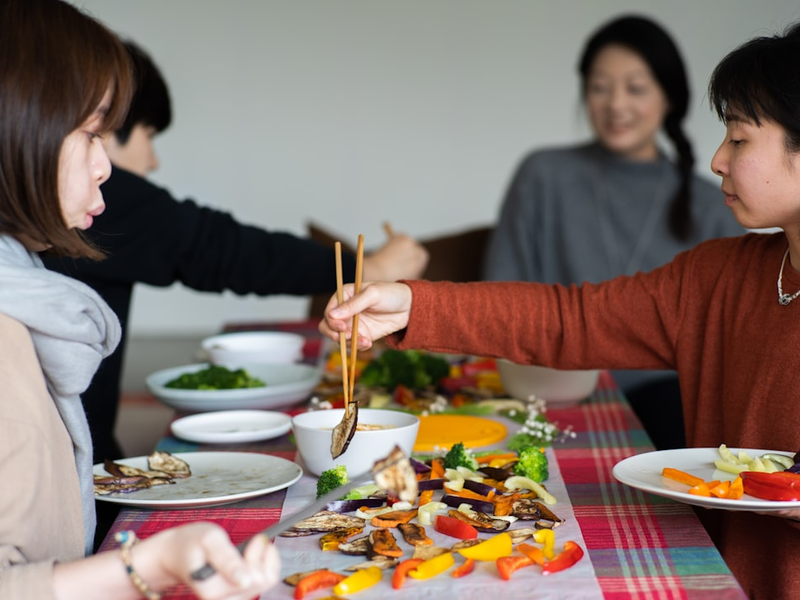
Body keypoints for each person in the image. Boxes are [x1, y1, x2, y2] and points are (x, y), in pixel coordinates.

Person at [320, 22, 800, 600]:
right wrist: (411, 302)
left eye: (741, 139)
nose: (719, 158)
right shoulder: (719, 275)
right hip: (718, 578)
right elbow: (570, 319)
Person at [0, 1, 280, 597]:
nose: (107, 167)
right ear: (19, 124)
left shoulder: (26, 290)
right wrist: (140, 568)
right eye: (91, 132)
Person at [43, 40, 429, 464]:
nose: (149, 162)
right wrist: (367, 267)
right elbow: (217, 248)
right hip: (73, 467)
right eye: (93, 132)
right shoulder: (94, 196)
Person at [481, 15, 744, 450]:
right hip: (549, 386)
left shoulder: (716, 200)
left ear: (669, 97)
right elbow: (499, 292)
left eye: (636, 88)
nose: (615, 104)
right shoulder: (543, 174)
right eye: (600, 87)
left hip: (667, 401)